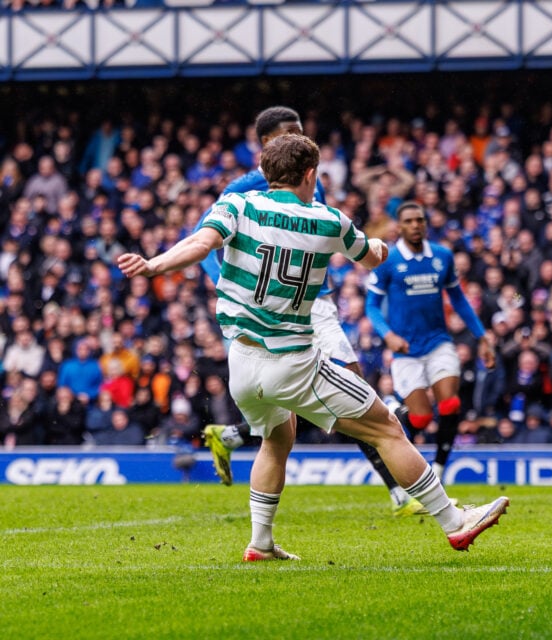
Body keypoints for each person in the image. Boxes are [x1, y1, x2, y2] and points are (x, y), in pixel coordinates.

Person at [118, 134, 508, 561]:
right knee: (386, 428)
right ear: (309, 175)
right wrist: (379, 246)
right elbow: (372, 257)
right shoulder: (328, 220)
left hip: (241, 364)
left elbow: (200, 243)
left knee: (277, 438)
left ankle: (261, 543)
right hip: (292, 362)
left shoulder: (236, 206)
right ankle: (454, 522)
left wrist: (154, 264)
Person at [193, 106, 422, 518]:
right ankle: (400, 491)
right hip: (283, 306)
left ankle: (232, 436)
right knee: (343, 388)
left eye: (302, 131)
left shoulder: (308, 177)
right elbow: (204, 238)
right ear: (267, 143)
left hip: (315, 298)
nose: (302, 138)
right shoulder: (246, 187)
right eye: (291, 132)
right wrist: (230, 283)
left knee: (334, 389)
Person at [365, 201, 496, 482]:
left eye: (420, 220)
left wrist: (482, 337)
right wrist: (388, 335)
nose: (415, 225)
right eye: (409, 221)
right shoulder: (388, 260)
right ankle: (396, 411)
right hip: (406, 349)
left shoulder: (442, 256)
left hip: (439, 342)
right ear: (399, 227)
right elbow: (371, 306)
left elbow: (458, 299)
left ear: (426, 224)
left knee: (449, 404)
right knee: (421, 419)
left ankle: (439, 468)